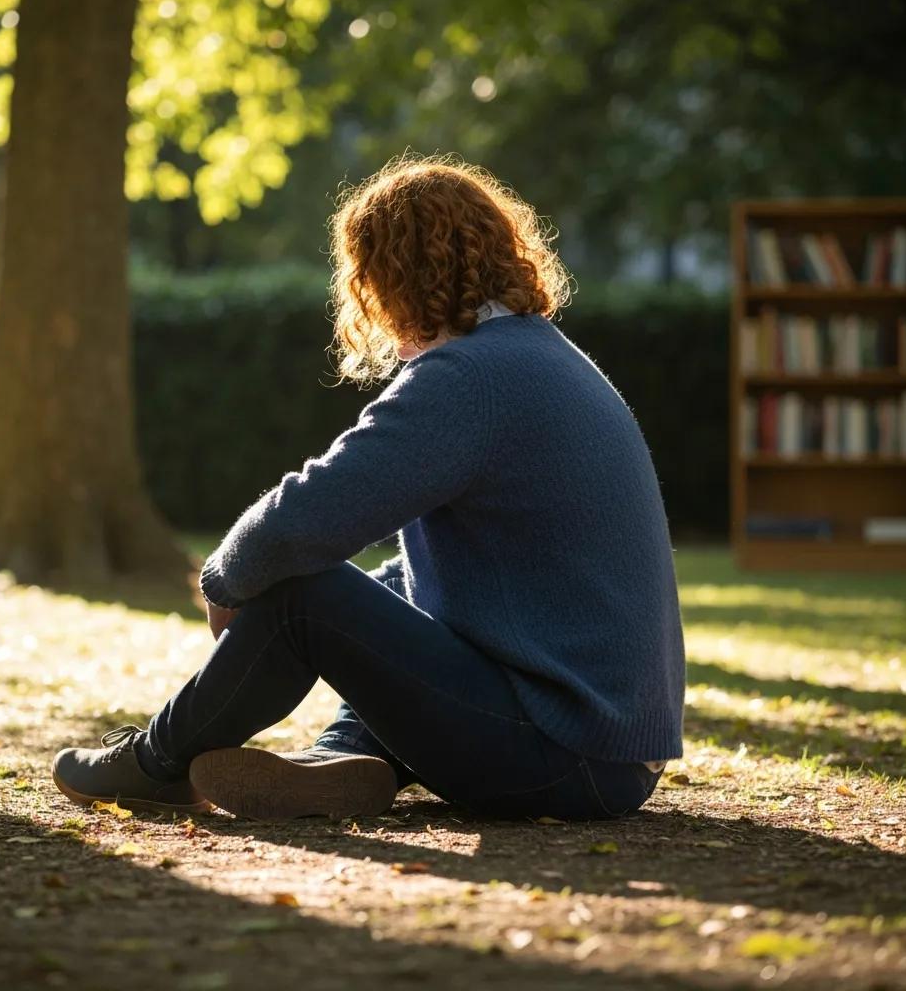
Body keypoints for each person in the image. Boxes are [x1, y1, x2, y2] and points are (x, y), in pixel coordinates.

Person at [52, 153, 686, 822]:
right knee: (377, 590)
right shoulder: (545, 357)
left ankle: (157, 764)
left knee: (300, 592)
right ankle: (343, 760)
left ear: (389, 278)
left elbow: (310, 514)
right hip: (608, 753)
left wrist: (225, 581)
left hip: (563, 754)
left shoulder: (469, 377)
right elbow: (440, 576)